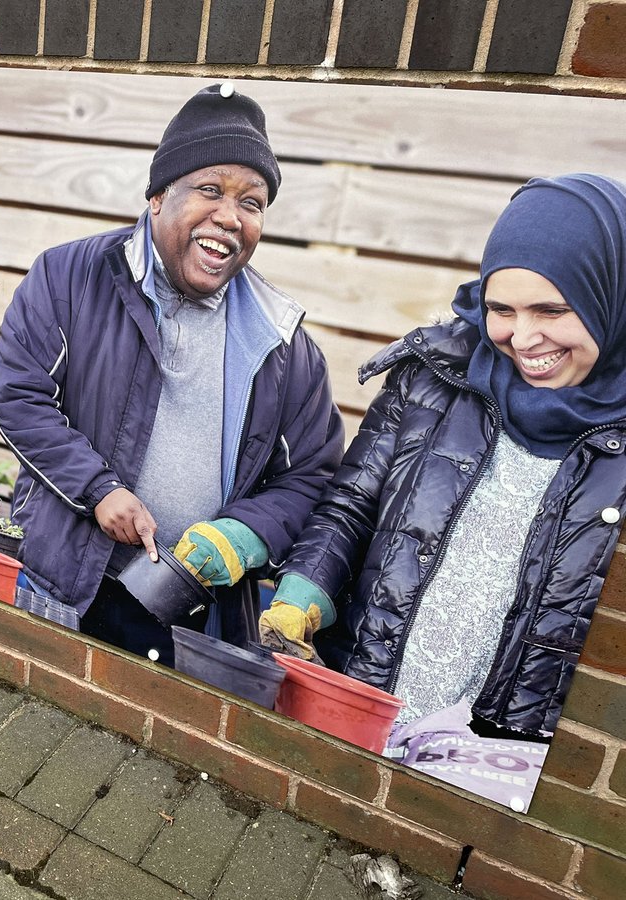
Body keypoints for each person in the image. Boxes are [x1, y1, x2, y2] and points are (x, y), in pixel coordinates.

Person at [0, 84, 345, 665]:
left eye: (251, 203)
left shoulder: (285, 347)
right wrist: (97, 488)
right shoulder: (70, 277)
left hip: (185, 614)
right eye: (210, 189)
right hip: (60, 580)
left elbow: (309, 476)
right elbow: (20, 395)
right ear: (157, 196)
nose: (229, 216)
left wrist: (244, 533)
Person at [264, 173, 626, 741]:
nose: (523, 338)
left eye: (552, 311)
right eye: (501, 308)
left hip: (499, 760)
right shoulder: (433, 376)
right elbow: (351, 505)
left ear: (612, 295)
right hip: (360, 703)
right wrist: (305, 585)